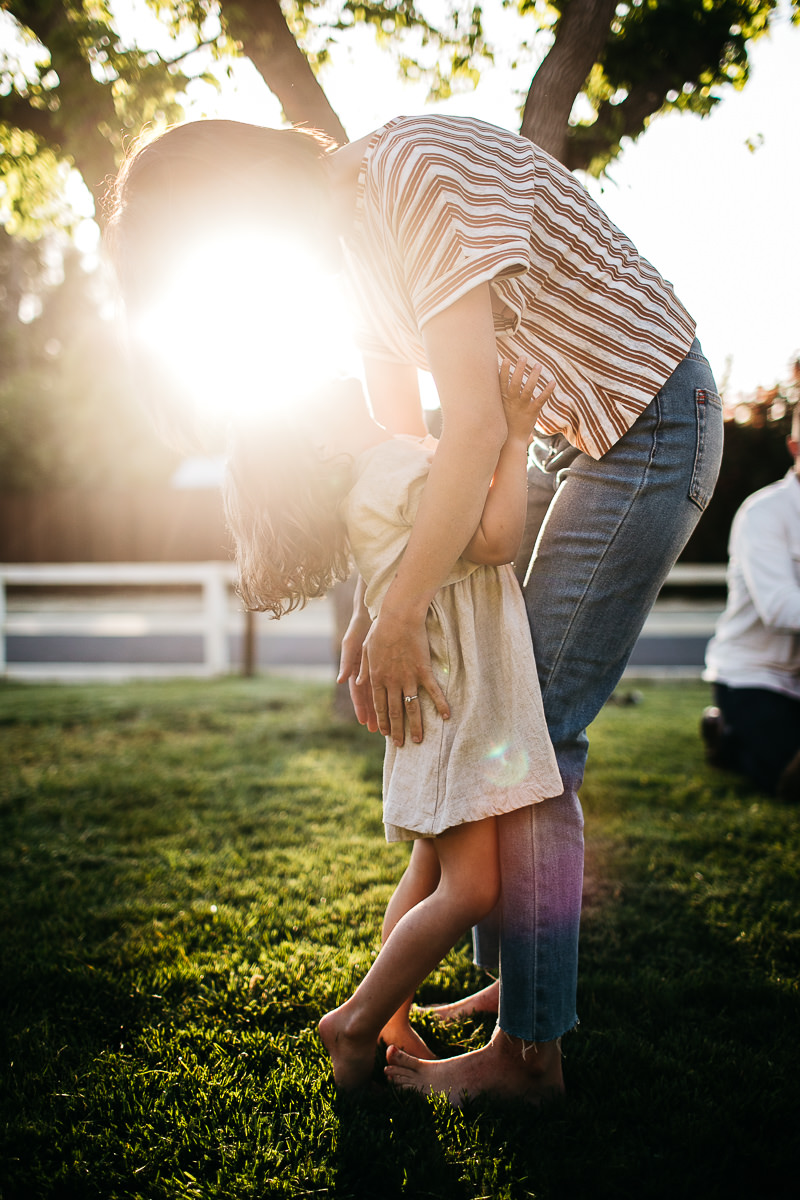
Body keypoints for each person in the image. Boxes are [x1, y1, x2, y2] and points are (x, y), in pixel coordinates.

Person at [106, 113, 724, 1103]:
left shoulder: (413, 179)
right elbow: (411, 449)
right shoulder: (342, 255)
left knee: (536, 740)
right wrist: (378, 600)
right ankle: (520, 973)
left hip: (646, 422)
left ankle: (527, 1056)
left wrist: (401, 616)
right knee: (519, 743)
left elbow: (475, 424)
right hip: (577, 442)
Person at [224, 360, 564, 1089]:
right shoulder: (393, 474)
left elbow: (398, 570)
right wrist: (516, 437)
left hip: (442, 700)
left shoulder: (376, 477)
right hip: (457, 702)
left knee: (430, 867)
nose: (337, 373)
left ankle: (389, 1013)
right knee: (471, 890)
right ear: (318, 444)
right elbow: (498, 540)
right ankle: (353, 1022)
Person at [701, 405, 800, 801]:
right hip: (755, 676)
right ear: (795, 447)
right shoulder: (765, 512)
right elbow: (778, 606)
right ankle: (726, 735)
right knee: (786, 779)